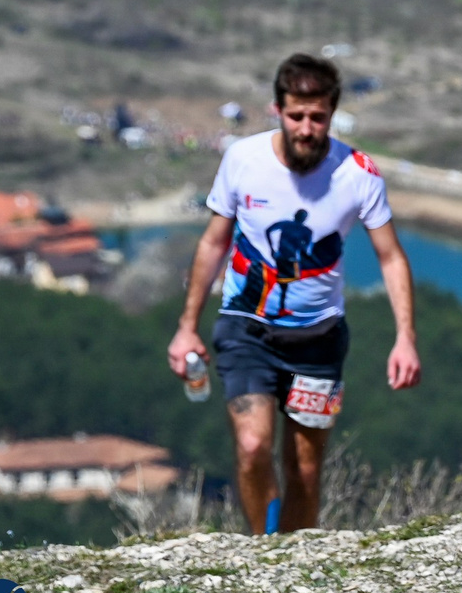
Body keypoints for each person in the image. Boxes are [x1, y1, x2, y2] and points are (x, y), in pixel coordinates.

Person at [167, 53, 423, 532]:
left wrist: (405, 337)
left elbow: (391, 256)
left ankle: (293, 557)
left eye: (318, 117)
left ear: (332, 114)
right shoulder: (243, 159)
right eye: (296, 116)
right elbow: (214, 241)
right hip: (247, 328)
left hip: (319, 338)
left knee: (305, 469)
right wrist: (186, 329)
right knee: (251, 446)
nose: (307, 128)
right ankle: (265, 550)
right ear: (277, 110)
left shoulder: (359, 173)